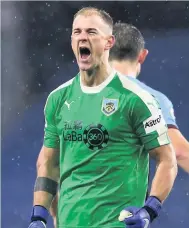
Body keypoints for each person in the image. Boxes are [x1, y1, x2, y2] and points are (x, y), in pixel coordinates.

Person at [28, 7, 177, 228]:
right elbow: (49, 163)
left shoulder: (135, 98)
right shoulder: (57, 99)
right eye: (77, 32)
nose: (82, 38)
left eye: (91, 32)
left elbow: (167, 159)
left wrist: (149, 210)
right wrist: (38, 216)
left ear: (109, 42)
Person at [109, 22, 189, 174]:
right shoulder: (148, 98)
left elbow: (51, 160)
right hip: (122, 195)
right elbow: (178, 151)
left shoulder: (69, 96)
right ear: (142, 55)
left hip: (74, 196)